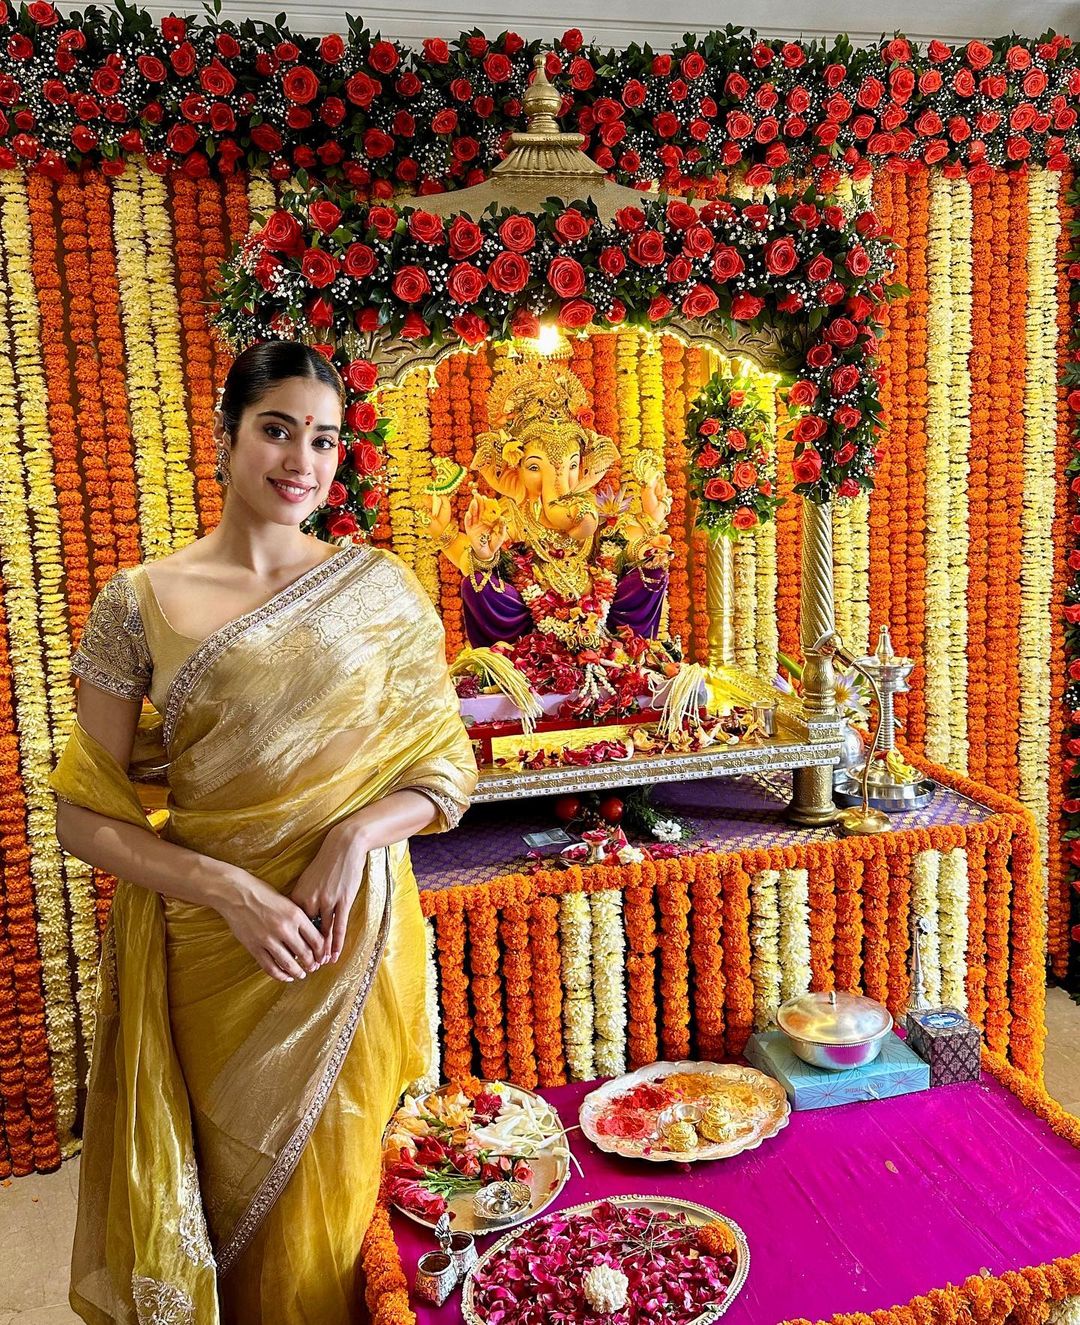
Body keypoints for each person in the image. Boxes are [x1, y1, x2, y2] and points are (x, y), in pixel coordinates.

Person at [48, 340, 478, 1324]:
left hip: (348, 941)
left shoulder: (378, 591)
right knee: (226, 1190)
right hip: (216, 949)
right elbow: (84, 813)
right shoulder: (140, 604)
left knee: (341, 1201)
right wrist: (233, 892)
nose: (302, 461)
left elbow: (447, 773)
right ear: (225, 435)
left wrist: (356, 832)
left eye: (324, 439)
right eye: (277, 429)